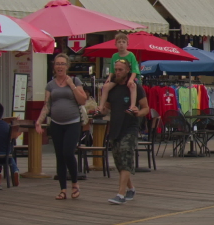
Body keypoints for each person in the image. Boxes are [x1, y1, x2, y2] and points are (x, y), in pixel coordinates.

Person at [36, 53, 86, 200]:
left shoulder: (75, 80)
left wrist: (71, 85)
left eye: (62, 64)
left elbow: (82, 100)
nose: (60, 66)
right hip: (56, 124)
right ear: (54, 66)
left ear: (67, 66)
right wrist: (39, 120)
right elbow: (47, 105)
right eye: (57, 64)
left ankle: (75, 183)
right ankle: (63, 189)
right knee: (59, 156)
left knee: (68, 153)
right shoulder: (50, 85)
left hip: (73, 123)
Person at [104, 59, 150, 205]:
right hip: (116, 127)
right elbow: (107, 107)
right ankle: (130, 189)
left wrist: (137, 112)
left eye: (120, 70)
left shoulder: (136, 87)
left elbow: (146, 108)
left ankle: (121, 194)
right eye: (116, 69)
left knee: (125, 156)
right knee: (119, 161)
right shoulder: (112, 88)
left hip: (130, 127)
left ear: (128, 70)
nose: (117, 72)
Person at [97, 33, 139, 114]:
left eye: (123, 42)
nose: (121, 44)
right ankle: (101, 107)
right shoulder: (114, 56)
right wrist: (109, 77)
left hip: (128, 76)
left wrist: (131, 80)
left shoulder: (131, 55)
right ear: (116, 44)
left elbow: (135, 70)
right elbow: (112, 70)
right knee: (105, 87)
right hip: (117, 76)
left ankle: (132, 106)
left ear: (127, 44)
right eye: (119, 42)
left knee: (133, 86)